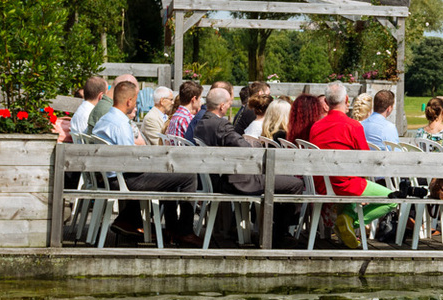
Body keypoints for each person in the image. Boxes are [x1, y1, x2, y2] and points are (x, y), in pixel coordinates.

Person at [94, 79, 198, 243]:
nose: (135, 105)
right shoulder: (120, 124)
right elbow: (131, 160)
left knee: (169, 176)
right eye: (135, 101)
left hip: (109, 176)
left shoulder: (104, 120)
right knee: (188, 176)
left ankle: (161, 226)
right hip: (124, 179)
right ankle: (184, 231)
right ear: (129, 101)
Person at [308, 81, 411, 247]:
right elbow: (365, 161)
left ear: (326, 103)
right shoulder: (353, 126)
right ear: (347, 100)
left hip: (321, 184)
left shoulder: (315, 127)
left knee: (358, 187)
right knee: (392, 200)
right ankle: (348, 221)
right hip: (346, 184)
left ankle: (345, 220)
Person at [187, 86, 304, 215]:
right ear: (221, 106)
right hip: (239, 181)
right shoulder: (221, 125)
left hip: (216, 180)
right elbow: (246, 148)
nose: (228, 107)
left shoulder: (201, 123)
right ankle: (283, 231)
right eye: (228, 104)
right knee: (296, 184)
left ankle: (272, 226)